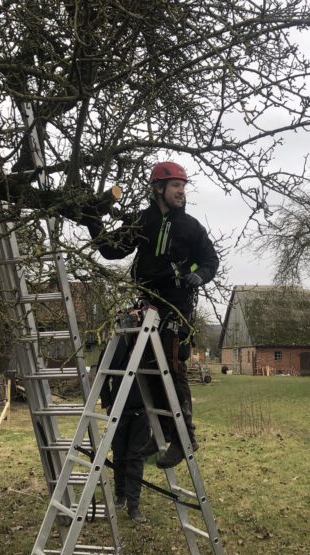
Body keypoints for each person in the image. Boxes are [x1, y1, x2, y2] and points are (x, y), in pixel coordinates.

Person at [79, 161, 219, 469]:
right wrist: (91, 219)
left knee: (171, 365)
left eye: (183, 186)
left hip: (176, 305)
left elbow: (210, 260)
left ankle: (185, 438)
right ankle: (160, 434)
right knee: (145, 367)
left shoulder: (191, 227)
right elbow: (111, 249)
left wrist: (198, 274)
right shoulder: (143, 221)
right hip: (148, 301)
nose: (181, 191)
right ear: (158, 189)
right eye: (175, 186)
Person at [98, 332, 151, 524]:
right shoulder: (115, 343)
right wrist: (106, 402)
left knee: (136, 457)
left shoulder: (148, 342)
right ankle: (120, 496)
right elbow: (102, 374)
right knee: (119, 454)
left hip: (142, 410)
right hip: (118, 409)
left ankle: (133, 506)